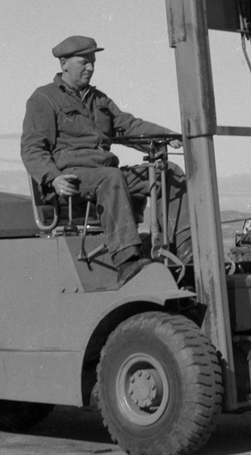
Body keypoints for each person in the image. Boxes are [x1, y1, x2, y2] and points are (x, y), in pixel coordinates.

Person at [20, 35, 191, 285]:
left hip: (107, 175)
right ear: (64, 64)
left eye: (93, 61)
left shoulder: (99, 100)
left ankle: (186, 250)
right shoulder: (44, 99)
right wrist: (54, 179)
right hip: (73, 179)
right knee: (111, 177)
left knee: (169, 173)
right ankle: (127, 260)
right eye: (84, 62)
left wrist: (167, 135)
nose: (90, 67)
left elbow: (128, 125)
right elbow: (32, 148)